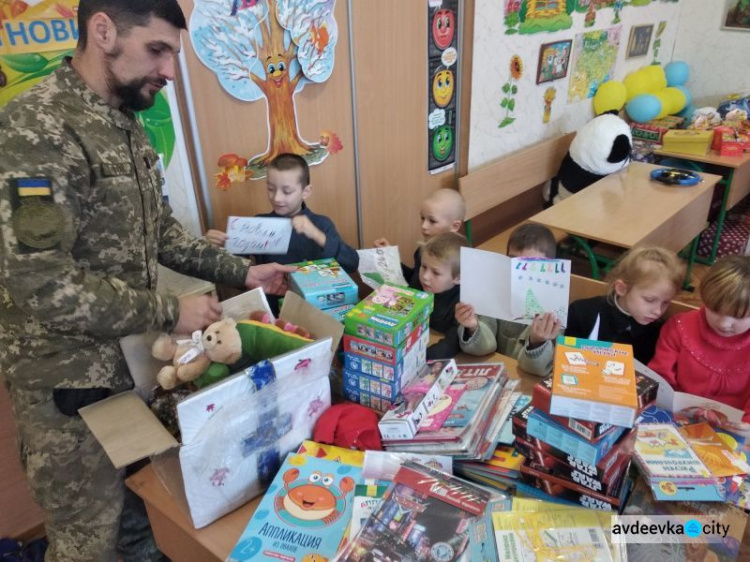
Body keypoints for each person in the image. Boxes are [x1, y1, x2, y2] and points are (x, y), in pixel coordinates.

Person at [0, 1, 295, 560]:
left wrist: (242, 270)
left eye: (173, 54)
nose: (169, 70)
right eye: (157, 50)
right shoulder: (37, 126)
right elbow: (39, 280)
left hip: (132, 368)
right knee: (88, 539)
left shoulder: (128, 126)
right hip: (69, 388)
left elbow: (162, 234)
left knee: (144, 518)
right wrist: (167, 311)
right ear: (103, 30)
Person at [205, 153, 359, 273]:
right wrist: (227, 246)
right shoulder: (259, 225)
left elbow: (352, 264)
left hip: (318, 306)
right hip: (274, 308)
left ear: (306, 191)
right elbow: (241, 276)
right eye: (271, 189)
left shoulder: (321, 224)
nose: (277, 198)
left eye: (287, 191)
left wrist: (317, 235)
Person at [648, 255, 750, 420]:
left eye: (738, 317)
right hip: (675, 417)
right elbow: (661, 378)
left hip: (736, 429)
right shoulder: (680, 327)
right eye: (715, 310)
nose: (724, 324)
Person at [455, 224, 560, 376]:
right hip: (492, 374)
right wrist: (473, 327)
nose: (520, 273)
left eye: (531, 265)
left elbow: (539, 370)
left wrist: (537, 342)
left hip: (526, 384)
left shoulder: (554, 310)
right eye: (513, 262)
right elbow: (484, 348)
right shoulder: (495, 291)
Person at [565, 246, 683, 364]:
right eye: (649, 300)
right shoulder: (582, 312)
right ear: (621, 288)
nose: (658, 311)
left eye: (666, 302)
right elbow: (566, 357)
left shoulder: (659, 330)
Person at [375, 188, 465, 288]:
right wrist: (391, 259)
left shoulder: (458, 260)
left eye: (432, 221)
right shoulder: (424, 249)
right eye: (422, 218)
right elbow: (415, 280)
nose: (424, 226)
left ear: (455, 226)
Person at [414, 232, 468, 360]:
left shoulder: (462, 302)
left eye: (436, 273)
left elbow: (452, 343)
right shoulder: (420, 283)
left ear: (458, 277)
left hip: (441, 353)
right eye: (423, 267)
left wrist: (420, 358)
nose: (425, 276)